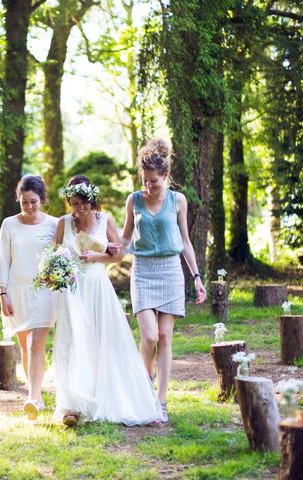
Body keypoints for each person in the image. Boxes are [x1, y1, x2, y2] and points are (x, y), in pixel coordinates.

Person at [53, 175, 161, 427]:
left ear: (92, 201)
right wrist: (58, 271)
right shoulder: (63, 223)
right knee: (72, 342)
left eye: (83, 204)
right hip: (72, 290)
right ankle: (73, 404)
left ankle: (110, 399)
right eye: (73, 204)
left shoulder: (105, 221)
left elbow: (119, 256)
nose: (78, 210)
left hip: (98, 288)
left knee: (104, 341)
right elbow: (54, 254)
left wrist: (97, 256)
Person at [118, 138, 207, 424]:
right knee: (150, 336)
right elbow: (125, 238)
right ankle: (147, 377)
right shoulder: (133, 200)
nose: (148, 187)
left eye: (154, 182)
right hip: (143, 270)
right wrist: (104, 246)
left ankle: (161, 400)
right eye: (144, 181)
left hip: (170, 270)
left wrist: (196, 277)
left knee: (165, 337)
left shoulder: (177, 201)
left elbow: (186, 241)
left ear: (166, 177)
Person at [0, 175, 58, 420]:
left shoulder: (54, 224)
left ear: (42, 199)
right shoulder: (9, 224)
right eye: (25, 202)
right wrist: (3, 293)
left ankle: (34, 397)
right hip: (17, 292)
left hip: (44, 293)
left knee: (36, 344)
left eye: (34, 201)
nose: (30, 207)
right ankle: (35, 392)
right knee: (24, 347)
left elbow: (61, 255)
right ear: (18, 200)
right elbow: (4, 260)